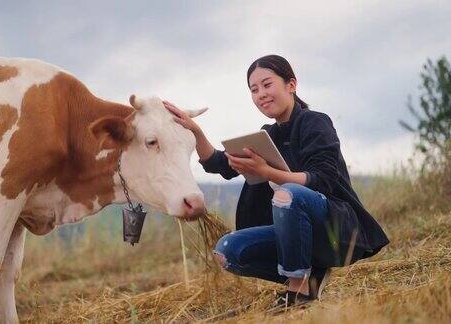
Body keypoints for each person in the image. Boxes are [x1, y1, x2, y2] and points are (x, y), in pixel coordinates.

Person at [164, 54, 389, 308]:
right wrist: (194, 130)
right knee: (227, 251)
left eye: (267, 84)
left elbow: (322, 180)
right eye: (254, 89)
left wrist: (266, 172)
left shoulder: (315, 122)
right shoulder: (266, 135)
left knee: (288, 194)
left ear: (291, 85)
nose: (261, 94)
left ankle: (299, 290)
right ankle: (311, 273)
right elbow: (219, 164)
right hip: (294, 233)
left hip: (334, 228)